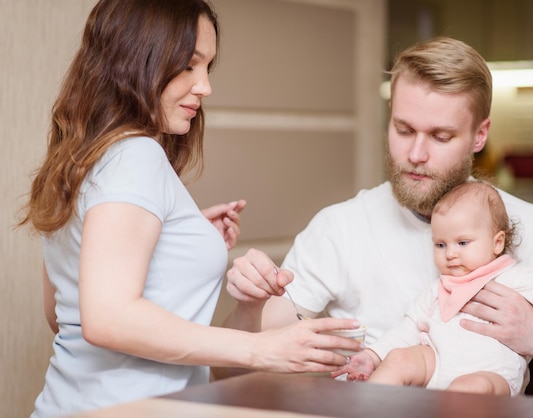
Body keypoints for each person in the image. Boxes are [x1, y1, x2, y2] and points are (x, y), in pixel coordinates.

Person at [19, 1, 362, 416]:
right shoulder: (135, 156)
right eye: (188, 66)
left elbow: (62, 315)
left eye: (207, 68)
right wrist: (260, 348)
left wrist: (178, 234)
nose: (205, 87)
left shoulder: (77, 160)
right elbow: (105, 317)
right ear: (135, 60)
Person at [222, 36, 533, 402]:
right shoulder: (340, 229)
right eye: (403, 130)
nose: (416, 154)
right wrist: (249, 308)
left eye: (440, 137)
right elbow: (229, 373)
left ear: (479, 134)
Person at [331, 180, 533, 396]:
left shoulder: (513, 277)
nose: (450, 254)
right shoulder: (438, 288)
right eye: (441, 245)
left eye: (462, 243)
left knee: (469, 390)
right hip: (435, 364)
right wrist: (372, 355)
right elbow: (408, 328)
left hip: (490, 375)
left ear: (497, 243)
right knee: (400, 358)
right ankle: (369, 407)